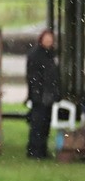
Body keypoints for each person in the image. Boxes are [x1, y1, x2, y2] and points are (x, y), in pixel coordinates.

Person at [25, 28, 60, 159]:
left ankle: (41, 150)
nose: (49, 41)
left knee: (45, 124)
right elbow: (32, 76)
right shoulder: (36, 55)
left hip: (47, 95)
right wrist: (36, 93)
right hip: (39, 95)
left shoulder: (50, 55)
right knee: (37, 124)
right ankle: (34, 151)